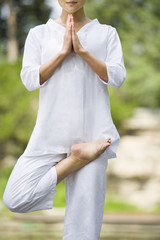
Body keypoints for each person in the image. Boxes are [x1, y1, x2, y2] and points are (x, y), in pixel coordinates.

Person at [3, 0, 126, 239]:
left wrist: (82, 52)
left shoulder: (106, 33)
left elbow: (117, 77)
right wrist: (62, 53)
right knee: (15, 197)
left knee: (85, 230)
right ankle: (75, 159)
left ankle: (81, 156)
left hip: (93, 137)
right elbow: (29, 80)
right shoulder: (39, 34)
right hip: (49, 135)